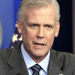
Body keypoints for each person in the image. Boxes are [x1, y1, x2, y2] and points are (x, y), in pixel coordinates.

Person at [0, 0, 75, 75]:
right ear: (20, 26)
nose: (40, 34)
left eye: (48, 26)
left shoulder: (72, 65)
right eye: (34, 25)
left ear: (56, 29)